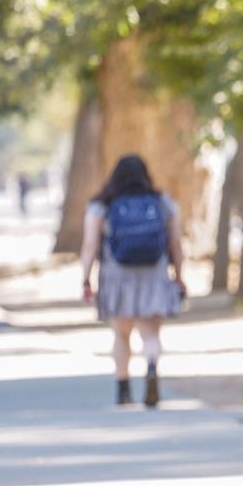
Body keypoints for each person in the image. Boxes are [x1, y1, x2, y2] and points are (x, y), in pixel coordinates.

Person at [79, 155, 186, 407]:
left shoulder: (101, 206)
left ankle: (123, 388)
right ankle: (151, 367)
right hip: (153, 274)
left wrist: (85, 279)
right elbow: (176, 245)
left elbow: (89, 246)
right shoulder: (163, 203)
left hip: (117, 277)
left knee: (121, 335)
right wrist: (179, 277)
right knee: (150, 334)